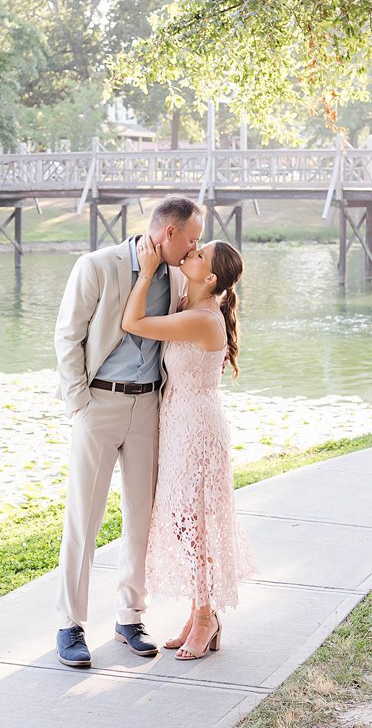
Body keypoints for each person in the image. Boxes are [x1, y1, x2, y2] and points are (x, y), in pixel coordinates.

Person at [52, 196, 204, 668]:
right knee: (84, 519)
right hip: (99, 402)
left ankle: (129, 617)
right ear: (169, 233)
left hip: (148, 406)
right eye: (192, 238)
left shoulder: (180, 277)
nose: (195, 247)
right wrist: (80, 401)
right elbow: (67, 335)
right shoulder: (97, 265)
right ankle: (70, 625)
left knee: (141, 518)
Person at [121, 237, 255, 661]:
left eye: (198, 255)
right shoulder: (185, 299)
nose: (190, 256)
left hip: (197, 428)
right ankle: (200, 611)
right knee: (184, 523)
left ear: (210, 277)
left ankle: (204, 616)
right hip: (178, 423)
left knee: (194, 524)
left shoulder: (202, 318)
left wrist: (144, 275)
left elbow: (134, 323)